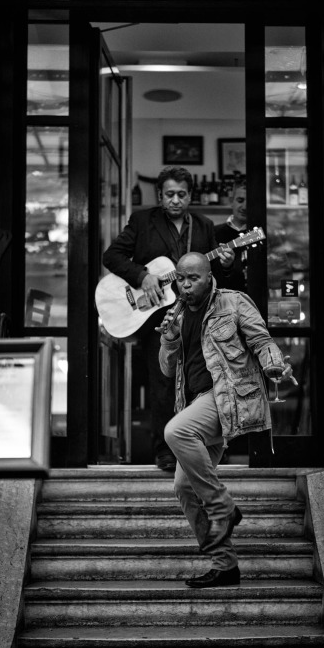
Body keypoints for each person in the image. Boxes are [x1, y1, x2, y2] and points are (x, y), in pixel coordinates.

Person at [158, 252, 293, 588]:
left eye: (193, 278)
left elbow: (262, 341)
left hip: (226, 398)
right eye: (181, 279)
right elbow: (166, 368)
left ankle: (224, 510)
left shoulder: (233, 303)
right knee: (184, 487)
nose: (186, 285)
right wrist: (170, 338)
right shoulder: (175, 314)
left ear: (208, 276)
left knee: (175, 431)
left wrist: (274, 364)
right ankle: (226, 565)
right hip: (195, 403)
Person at [103, 166, 236, 472]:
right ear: (160, 195)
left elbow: (212, 275)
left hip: (198, 316)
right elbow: (111, 256)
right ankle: (164, 450)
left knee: (202, 380)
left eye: (182, 194)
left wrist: (226, 264)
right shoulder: (142, 221)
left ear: (190, 195)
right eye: (170, 194)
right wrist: (143, 275)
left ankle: (204, 446)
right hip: (158, 317)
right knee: (162, 382)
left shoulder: (203, 226)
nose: (176, 200)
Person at [214, 179, 248, 292]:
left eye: (250, 201)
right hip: (223, 302)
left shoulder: (262, 234)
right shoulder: (213, 232)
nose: (245, 206)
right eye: (240, 200)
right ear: (231, 201)